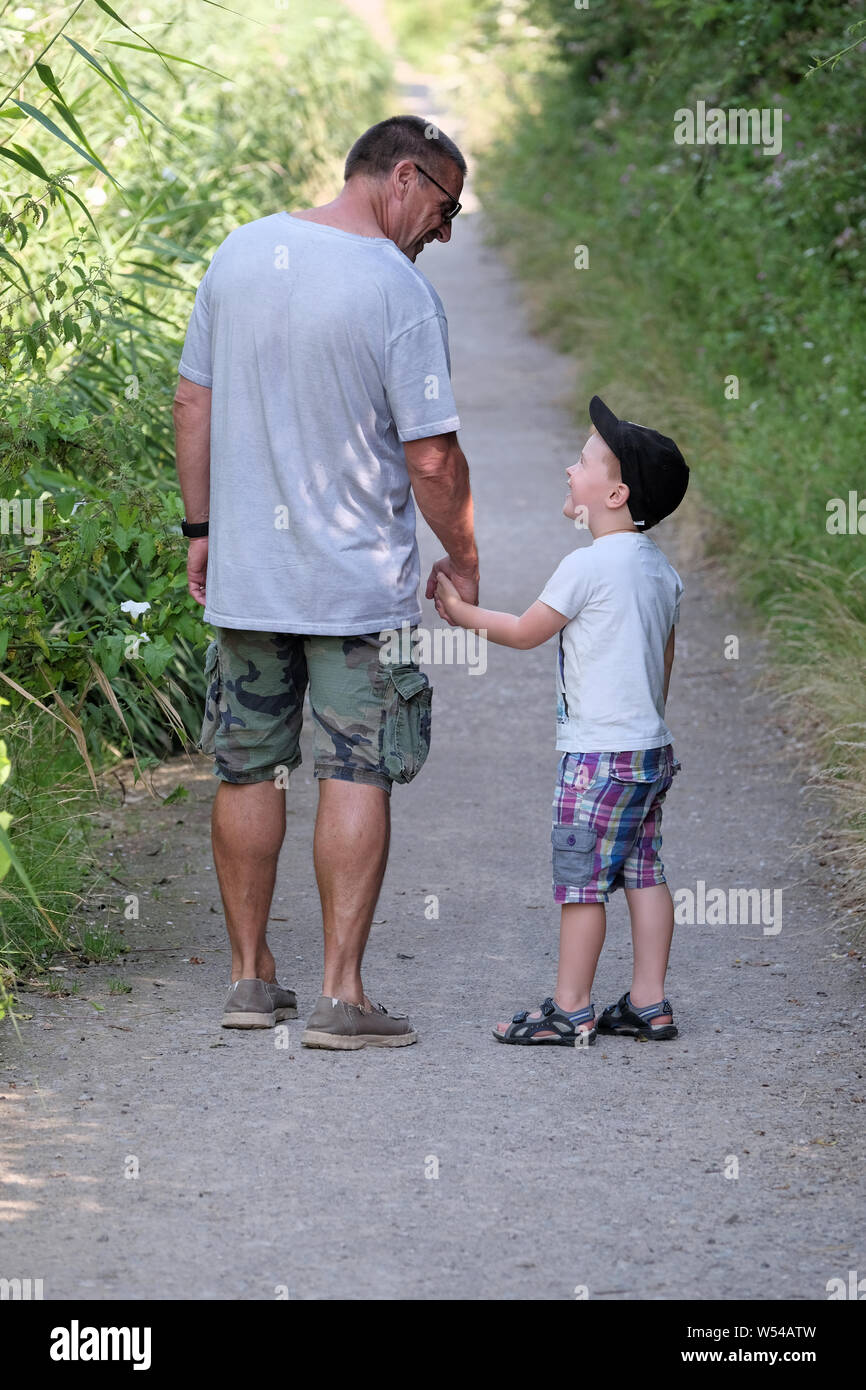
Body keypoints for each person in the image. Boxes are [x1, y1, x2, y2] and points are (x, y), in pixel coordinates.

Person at [172, 115, 479, 1049]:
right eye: (447, 207)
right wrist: (463, 555)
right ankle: (343, 996)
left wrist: (201, 528)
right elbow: (431, 457)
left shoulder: (239, 251)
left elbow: (193, 399)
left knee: (247, 764)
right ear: (406, 177)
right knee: (356, 767)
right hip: (353, 591)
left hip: (250, 575)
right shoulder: (396, 290)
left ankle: (250, 979)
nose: (446, 231)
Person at [436, 395, 689, 1046]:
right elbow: (661, 662)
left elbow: (524, 632)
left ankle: (572, 1008)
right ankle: (649, 1001)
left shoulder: (586, 566)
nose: (568, 470)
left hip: (599, 758)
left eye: (581, 461)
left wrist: (461, 615)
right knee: (645, 871)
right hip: (648, 750)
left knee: (581, 883)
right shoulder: (661, 571)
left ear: (615, 494)